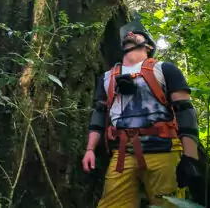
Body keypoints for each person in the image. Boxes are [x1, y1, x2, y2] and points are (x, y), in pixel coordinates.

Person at [82, 21, 201, 207]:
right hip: (123, 153)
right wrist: (90, 149)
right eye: (126, 33)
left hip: (164, 149)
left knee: (168, 205)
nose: (129, 33)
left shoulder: (165, 69)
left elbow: (185, 111)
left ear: (149, 45)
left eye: (136, 33)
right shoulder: (107, 77)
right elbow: (98, 115)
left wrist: (190, 157)